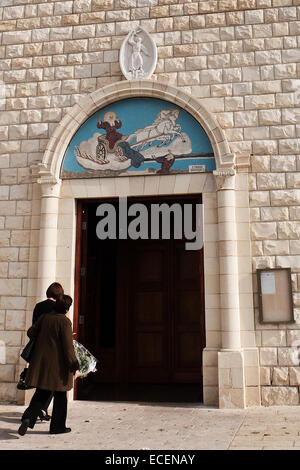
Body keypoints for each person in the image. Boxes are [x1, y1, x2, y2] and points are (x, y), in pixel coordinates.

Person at [18, 295, 79, 436]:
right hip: (58, 367)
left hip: (41, 363)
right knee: (60, 396)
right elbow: (68, 347)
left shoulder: (45, 318)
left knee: (41, 392)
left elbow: (31, 332)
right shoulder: (64, 322)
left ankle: (28, 418)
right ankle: (58, 427)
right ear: (67, 308)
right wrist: (74, 365)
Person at [17, 282, 65, 421]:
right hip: (52, 350)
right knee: (50, 383)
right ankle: (38, 410)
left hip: (37, 348)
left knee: (43, 382)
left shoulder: (38, 306)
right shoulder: (57, 308)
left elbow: (33, 328)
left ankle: (37, 411)